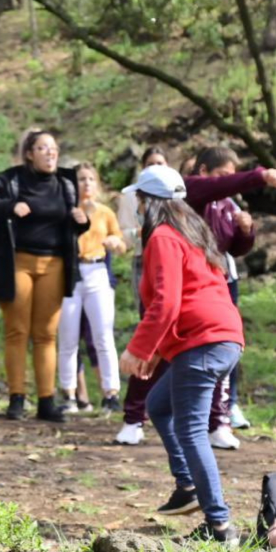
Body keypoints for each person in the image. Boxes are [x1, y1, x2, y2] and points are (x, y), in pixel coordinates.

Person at [117, 164, 244, 547]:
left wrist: (137, 349)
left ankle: (220, 526)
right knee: (158, 405)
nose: (136, 206)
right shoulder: (192, 231)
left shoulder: (163, 237)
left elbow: (166, 304)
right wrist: (157, 353)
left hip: (204, 342)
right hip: (220, 339)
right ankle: (187, 485)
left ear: (149, 202)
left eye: (138, 199)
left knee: (191, 429)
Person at [0, 131, 88, 422]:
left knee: (46, 335)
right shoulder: (10, 179)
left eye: (53, 148)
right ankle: (16, 398)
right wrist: (10, 206)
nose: (50, 153)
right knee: (17, 331)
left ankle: (46, 401)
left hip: (54, 263)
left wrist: (82, 223)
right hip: (18, 262)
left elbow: (71, 225)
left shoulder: (66, 182)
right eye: (42, 148)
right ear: (29, 153)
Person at [186, 146, 276, 449]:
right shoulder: (194, 190)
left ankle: (220, 418)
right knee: (192, 350)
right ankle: (177, 415)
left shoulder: (225, 204)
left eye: (232, 176)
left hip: (222, 281)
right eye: (222, 175)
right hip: (193, 282)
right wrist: (259, 175)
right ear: (204, 172)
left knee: (225, 347)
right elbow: (221, 187)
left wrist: (245, 231)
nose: (228, 182)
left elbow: (234, 247)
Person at [57, 162, 125, 412]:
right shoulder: (66, 210)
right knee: (68, 336)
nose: (86, 183)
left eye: (90, 179)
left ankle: (111, 393)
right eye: (81, 179)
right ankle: (69, 395)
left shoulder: (105, 213)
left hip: (97, 271)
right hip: (71, 272)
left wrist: (114, 242)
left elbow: (121, 243)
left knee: (103, 335)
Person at [114, 146, 169, 445]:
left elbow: (166, 305)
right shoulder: (132, 198)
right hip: (142, 258)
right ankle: (135, 416)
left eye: (160, 164)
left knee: (158, 341)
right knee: (152, 337)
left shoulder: (168, 232)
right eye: (150, 165)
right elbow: (126, 232)